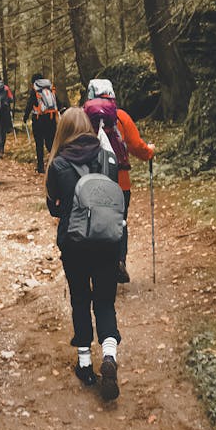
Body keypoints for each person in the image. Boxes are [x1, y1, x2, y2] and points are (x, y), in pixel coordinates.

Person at [46, 107, 122, 401]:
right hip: (108, 241)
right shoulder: (107, 157)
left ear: (63, 130)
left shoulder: (59, 164)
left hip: (75, 243)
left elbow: (54, 207)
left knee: (80, 297)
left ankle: (86, 366)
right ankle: (110, 355)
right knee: (105, 301)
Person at [84, 78, 155, 285]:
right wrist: (149, 152)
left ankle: (93, 264)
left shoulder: (83, 117)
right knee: (119, 222)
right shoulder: (121, 117)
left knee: (91, 221)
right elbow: (136, 146)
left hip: (90, 182)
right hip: (120, 183)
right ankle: (118, 261)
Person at [22, 73, 59, 173]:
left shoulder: (35, 90)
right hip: (51, 119)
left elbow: (30, 104)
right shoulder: (50, 88)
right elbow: (57, 102)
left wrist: (25, 117)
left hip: (38, 120)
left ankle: (41, 167)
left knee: (39, 144)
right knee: (50, 143)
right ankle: (55, 164)